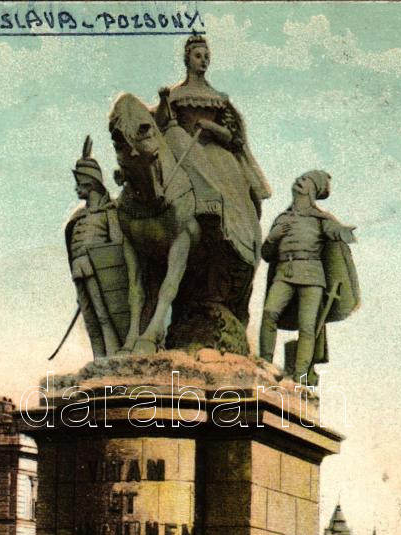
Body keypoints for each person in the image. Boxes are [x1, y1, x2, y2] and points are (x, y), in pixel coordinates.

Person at [154, 34, 271, 273]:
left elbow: (232, 136)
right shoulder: (176, 94)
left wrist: (211, 127)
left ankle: (233, 234)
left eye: (207, 57)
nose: (204, 60)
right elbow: (161, 126)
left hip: (216, 152)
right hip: (184, 148)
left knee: (235, 190)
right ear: (187, 59)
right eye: (198, 56)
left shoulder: (219, 98)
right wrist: (163, 101)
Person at [259, 170, 359, 383]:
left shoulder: (321, 219)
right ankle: (265, 363)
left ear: (313, 189)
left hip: (312, 278)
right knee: (269, 313)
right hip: (284, 273)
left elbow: (334, 232)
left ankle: (300, 377)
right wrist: (272, 238)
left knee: (307, 327)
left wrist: (343, 231)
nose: (299, 181)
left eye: (305, 180)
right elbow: (266, 255)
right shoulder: (282, 219)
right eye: (300, 178)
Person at [65, 137, 128, 358]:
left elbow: (117, 246)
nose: (76, 188)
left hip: (98, 270)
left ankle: (112, 355)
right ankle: (99, 359)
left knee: (103, 314)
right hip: (79, 269)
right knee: (90, 319)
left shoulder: (109, 212)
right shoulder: (79, 216)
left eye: (79, 184)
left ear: (90, 184)